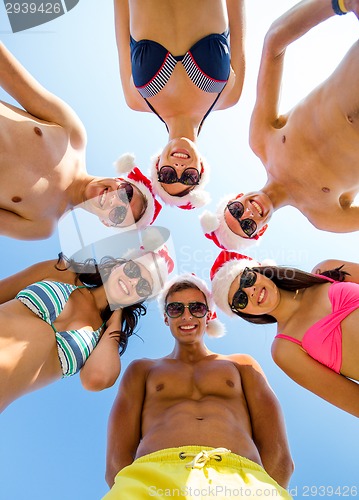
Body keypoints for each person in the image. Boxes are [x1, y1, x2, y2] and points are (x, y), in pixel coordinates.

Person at [104, 273, 294, 499]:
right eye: (176, 309)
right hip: (151, 479)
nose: (187, 316)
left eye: (196, 308)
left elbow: (278, 450)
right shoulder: (142, 370)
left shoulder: (241, 364)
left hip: (242, 479)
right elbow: (117, 457)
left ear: (208, 314)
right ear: (166, 318)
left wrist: (262, 487)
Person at [0, 42, 160, 240]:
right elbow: (12, 77)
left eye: (119, 214)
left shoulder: (42, 225)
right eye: (127, 194)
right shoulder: (74, 136)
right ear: (122, 181)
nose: (115, 201)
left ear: (106, 222)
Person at [231, 0, 359, 236]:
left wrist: (340, 3)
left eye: (236, 211)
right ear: (261, 231)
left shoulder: (261, 140)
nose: (248, 214)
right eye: (247, 226)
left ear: (237, 198)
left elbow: (273, 44)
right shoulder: (325, 216)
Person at [0, 246, 173, 413]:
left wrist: (115, 320)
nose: (133, 282)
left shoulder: (103, 339)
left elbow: (96, 378)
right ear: (119, 264)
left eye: (143, 287)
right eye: (133, 270)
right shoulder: (63, 271)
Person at [114, 0, 246, 209]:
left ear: (157, 165)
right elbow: (237, 14)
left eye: (167, 175)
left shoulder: (135, 100)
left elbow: (121, 21)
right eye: (189, 177)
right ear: (201, 168)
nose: (178, 167)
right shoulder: (229, 96)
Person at [210, 250, 359, 417]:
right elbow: (351, 400)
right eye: (240, 299)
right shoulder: (284, 349)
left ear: (260, 272)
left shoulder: (325, 271)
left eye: (247, 279)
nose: (250, 291)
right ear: (245, 314)